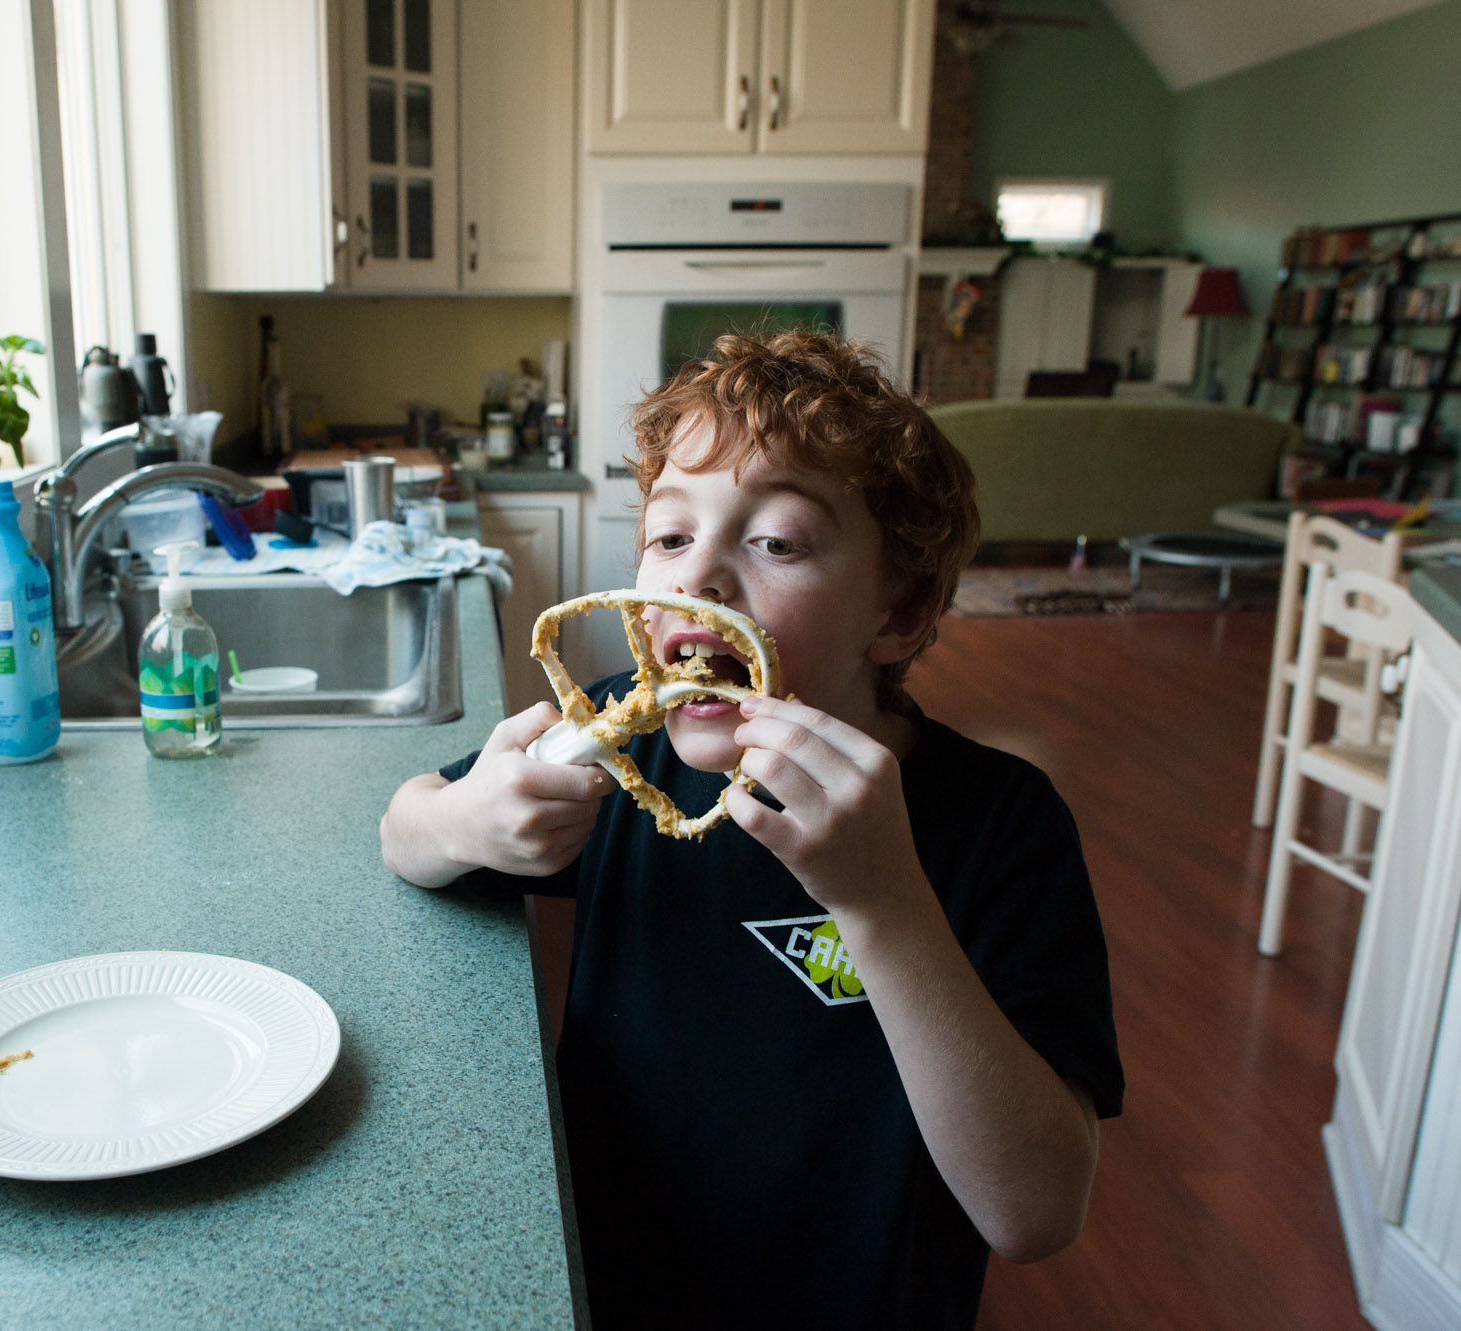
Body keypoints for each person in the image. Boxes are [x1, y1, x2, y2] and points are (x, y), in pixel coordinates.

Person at [380, 330, 1122, 1327]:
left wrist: (881, 903)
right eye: (668, 534)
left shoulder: (999, 826)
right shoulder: (617, 745)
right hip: (612, 1287)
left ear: (896, 614)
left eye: (772, 540)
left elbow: (1033, 1210)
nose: (699, 578)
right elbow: (404, 827)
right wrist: (470, 818)